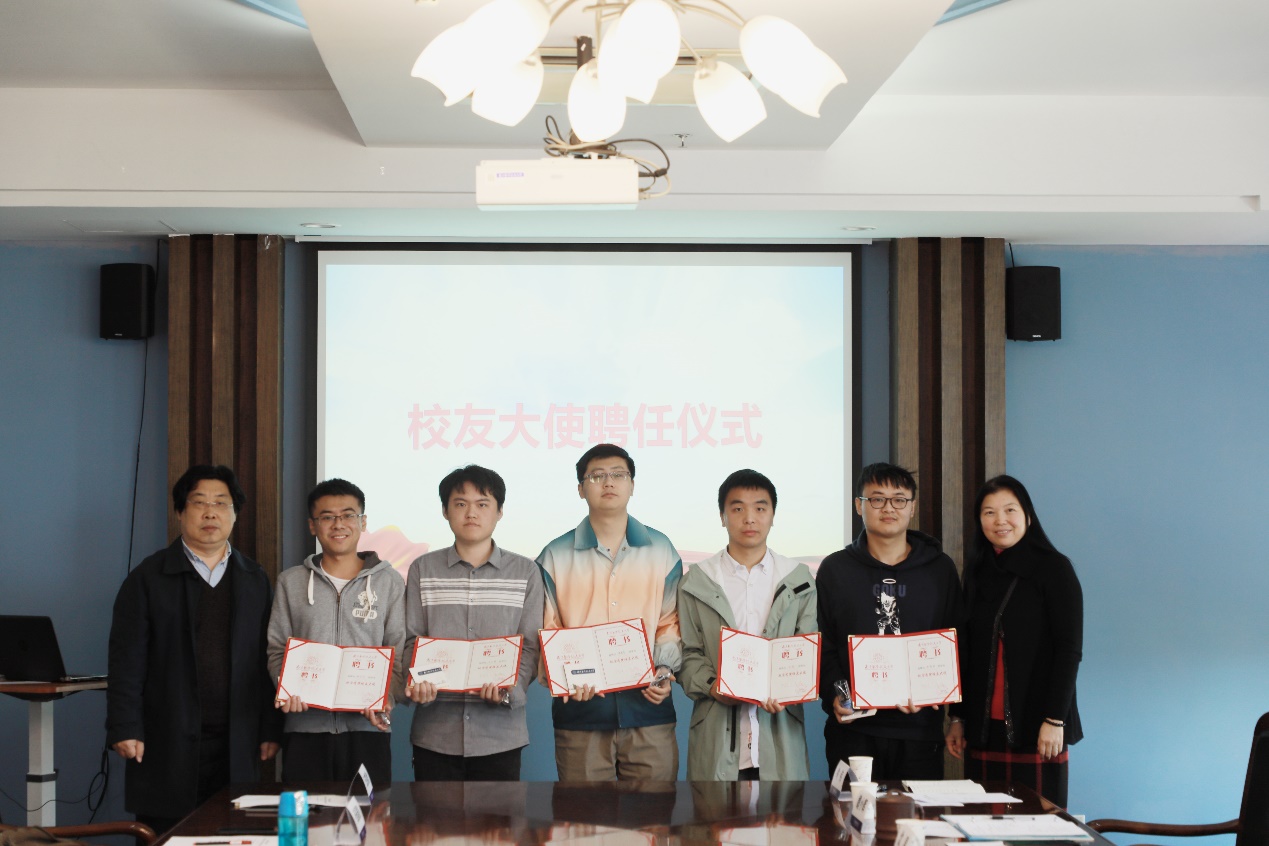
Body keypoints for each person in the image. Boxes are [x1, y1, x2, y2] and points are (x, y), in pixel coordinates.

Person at [107, 465, 281, 835]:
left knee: (234, 834)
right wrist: (125, 725)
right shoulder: (148, 577)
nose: (210, 512)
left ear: (235, 514)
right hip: (165, 739)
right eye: (199, 502)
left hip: (237, 740)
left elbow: (265, 659)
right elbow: (126, 661)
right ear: (180, 512)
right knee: (167, 834)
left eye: (221, 503)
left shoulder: (254, 578)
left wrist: (270, 727)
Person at [537, 443, 681, 781]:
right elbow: (548, 631)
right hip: (581, 713)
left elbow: (670, 623)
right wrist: (568, 677)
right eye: (596, 476)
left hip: (649, 710)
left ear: (632, 485)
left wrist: (664, 669)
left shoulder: (661, 549)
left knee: (655, 812)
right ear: (580, 488)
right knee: (585, 814)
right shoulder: (554, 555)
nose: (608, 482)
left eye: (618, 474)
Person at [816, 462, 963, 781]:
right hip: (854, 730)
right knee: (850, 812)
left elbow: (956, 641)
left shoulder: (939, 569)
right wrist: (838, 694)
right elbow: (824, 644)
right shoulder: (835, 569)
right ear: (859, 505)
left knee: (916, 814)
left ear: (912, 507)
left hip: (920, 732)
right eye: (877, 499)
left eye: (899, 499)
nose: (888, 508)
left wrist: (946, 704)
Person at [945, 475, 1083, 807]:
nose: (1000, 520)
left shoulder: (1055, 569)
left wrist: (1055, 719)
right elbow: (966, 650)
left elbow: (1069, 650)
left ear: (1028, 516)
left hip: (1038, 726)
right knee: (981, 824)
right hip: (983, 728)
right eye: (989, 512)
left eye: (1010, 510)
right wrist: (958, 717)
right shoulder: (976, 572)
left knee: (1037, 826)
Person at [404, 465, 543, 780]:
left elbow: (530, 647)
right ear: (445, 511)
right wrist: (416, 682)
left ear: (499, 512)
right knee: (433, 814)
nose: (471, 513)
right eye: (460, 503)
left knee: (499, 815)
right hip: (435, 733)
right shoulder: (422, 569)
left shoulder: (526, 572)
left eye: (482, 504)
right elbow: (412, 640)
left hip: (500, 735)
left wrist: (509, 689)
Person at [678, 470, 817, 781]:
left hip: (780, 735)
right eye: (738, 508)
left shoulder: (798, 579)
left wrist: (788, 689)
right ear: (722, 516)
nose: (749, 518)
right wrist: (713, 686)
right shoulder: (697, 581)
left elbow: (807, 649)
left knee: (783, 812)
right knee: (714, 812)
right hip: (717, 738)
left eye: (760, 508)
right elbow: (688, 653)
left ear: (773, 515)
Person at [266, 478, 405, 786]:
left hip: (368, 729)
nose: (338, 524)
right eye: (327, 517)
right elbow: (277, 649)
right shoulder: (291, 582)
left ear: (363, 522)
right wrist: (286, 688)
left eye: (348, 515)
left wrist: (385, 699)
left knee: (370, 815)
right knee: (307, 814)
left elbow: (397, 652)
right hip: (305, 729)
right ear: (312, 525)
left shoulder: (389, 582)